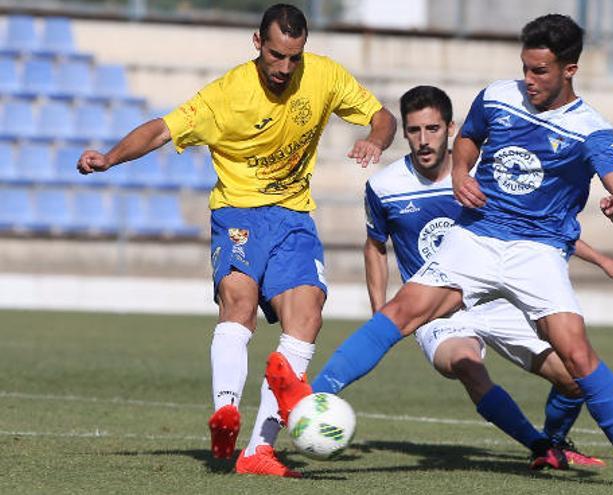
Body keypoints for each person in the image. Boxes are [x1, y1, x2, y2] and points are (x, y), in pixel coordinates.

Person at [268, 14, 613, 491]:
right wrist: (460, 172)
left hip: (536, 251)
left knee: (577, 356)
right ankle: (309, 395)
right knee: (402, 310)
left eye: (540, 71)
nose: (529, 80)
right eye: (525, 68)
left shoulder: (589, 128)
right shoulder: (499, 95)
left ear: (569, 70)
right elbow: (470, 138)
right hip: (477, 235)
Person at [75, 3, 396, 478]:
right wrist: (109, 157)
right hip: (238, 213)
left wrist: (377, 138)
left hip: (294, 217)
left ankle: (259, 451)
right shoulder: (227, 94)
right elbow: (162, 130)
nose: (285, 68)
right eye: (276, 56)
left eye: (294, 57)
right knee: (239, 303)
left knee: (306, 316)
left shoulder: (324, 76)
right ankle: (226, 409)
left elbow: (381, 114)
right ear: (257, 44)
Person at [362, 85, 613, 469]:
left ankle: (556, 441)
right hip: (439, 308)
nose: (424, 140)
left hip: (493, 295)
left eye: (432, 129)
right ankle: (538, 445)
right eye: (414, 130)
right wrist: (381, 314)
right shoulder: (384, 186)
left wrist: (602, 261)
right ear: (405, 134)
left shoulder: (482, 176)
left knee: (574, 379)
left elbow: (531, 231)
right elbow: (375, 247)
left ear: (451, 128)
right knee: (466, 363)